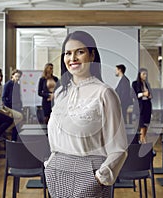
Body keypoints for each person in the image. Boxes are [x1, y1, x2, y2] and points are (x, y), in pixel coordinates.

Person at [44, 31, 128, 197]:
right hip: (56, 172)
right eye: (68, 53)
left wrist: (98, 179)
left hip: (90, 174)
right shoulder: (61, 92)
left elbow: (119, 148)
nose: (73, 58)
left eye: (80, 52)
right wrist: (50, 165)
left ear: (92, 55)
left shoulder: (105, 93)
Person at [132, 68, 152, 143]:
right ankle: (143, 142)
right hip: (140, 107)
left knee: (146, 125)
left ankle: (142, 141)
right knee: (142, 125)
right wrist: (143, 94)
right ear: (139, 74)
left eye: (146, 74)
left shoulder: (147, 84)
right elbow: (133, 95)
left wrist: (149, 95)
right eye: (143, 74)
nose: (145, 76)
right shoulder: (135, 83)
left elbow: (151, 95)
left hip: (147, 106)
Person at [2, 69, 24, 140]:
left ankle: (14, 138)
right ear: (12, 76)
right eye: (16, 76)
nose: (17, 78)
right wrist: (8, 108)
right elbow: (4, 97)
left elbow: (18, 96)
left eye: (19, 77)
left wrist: (20, 105)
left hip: (17, 105)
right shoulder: (8, 84)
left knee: (17, 124)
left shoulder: (18, 85)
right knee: (16, 120)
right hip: (10, 106)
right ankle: (8, 133)